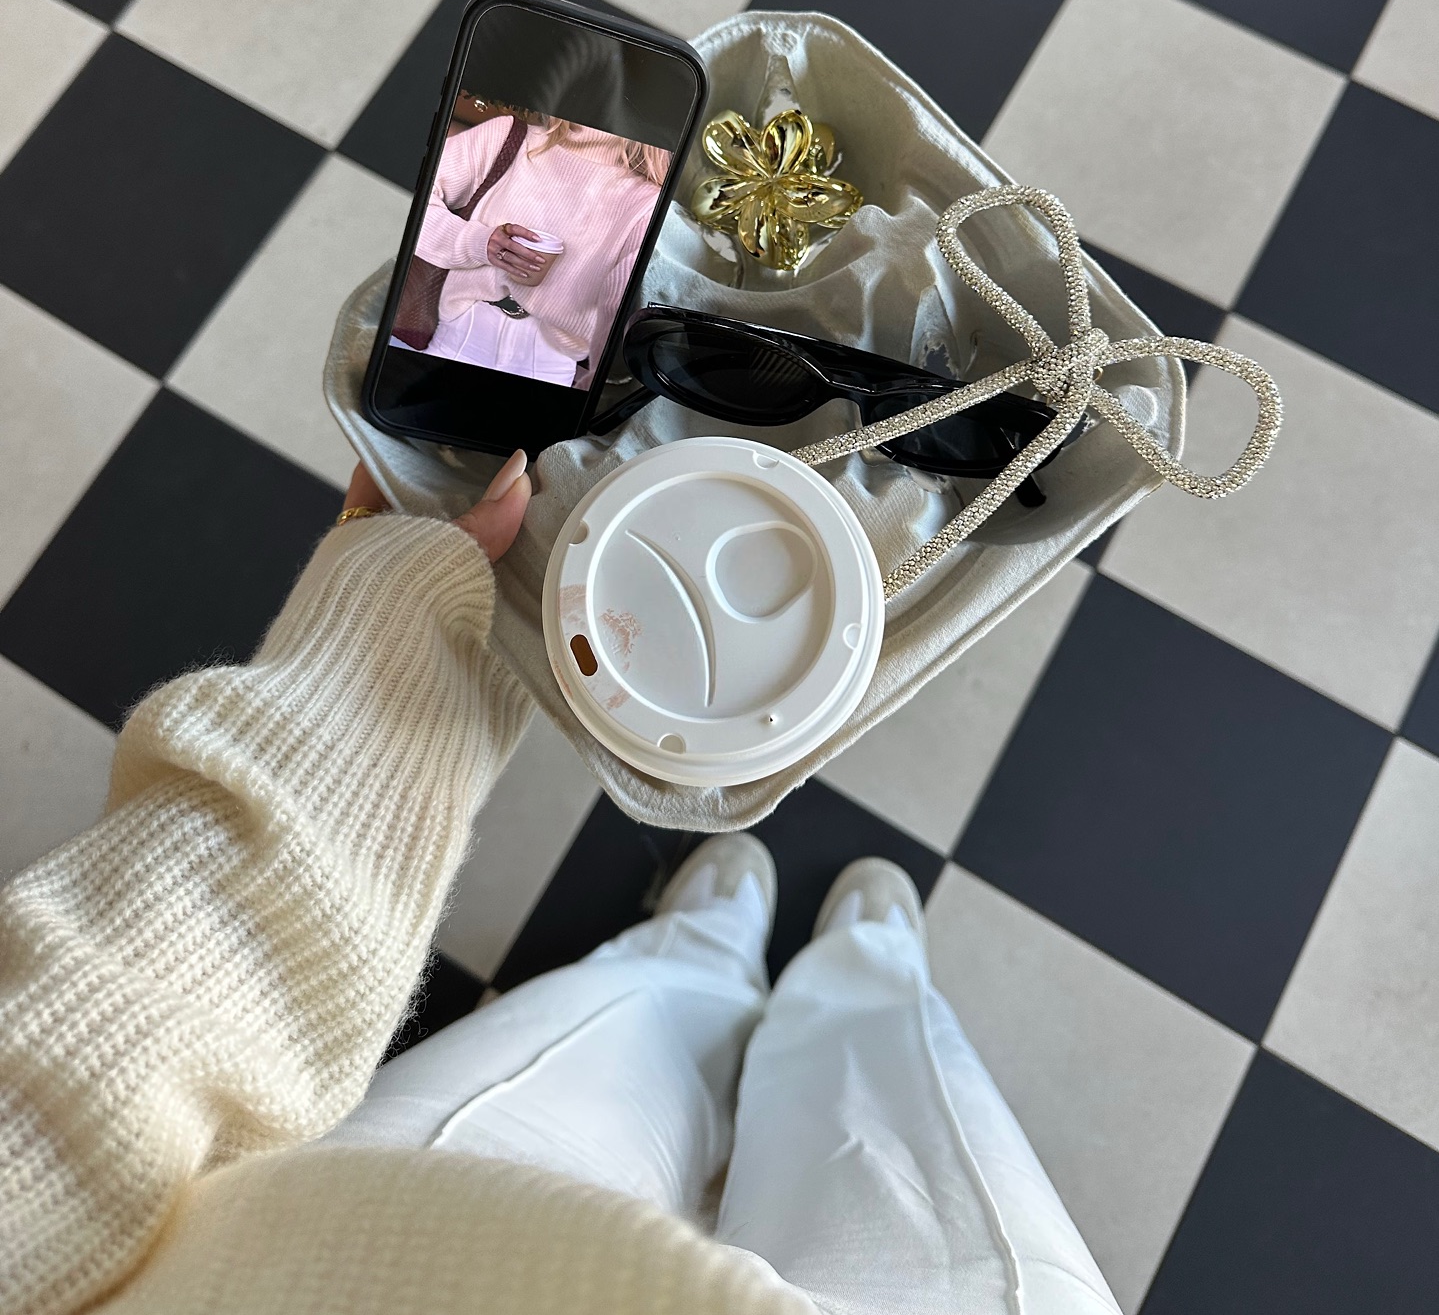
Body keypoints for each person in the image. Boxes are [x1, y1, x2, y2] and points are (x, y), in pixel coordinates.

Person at [0, 454, 1122, 1315]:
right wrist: (386, 667)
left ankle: (701, 957)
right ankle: (860, 973)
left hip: (407, 1251)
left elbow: (68, 1117)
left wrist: (387, 678)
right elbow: (69, 1097)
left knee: (603, 1041)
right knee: (914, 1120)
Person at [418, 116, 666, 385]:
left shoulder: (648, 203)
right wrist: (478, 242)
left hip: (550, 368)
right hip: (457, 337)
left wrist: (595, 385)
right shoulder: (508, 136)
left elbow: (619, 308)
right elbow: (412, 191)